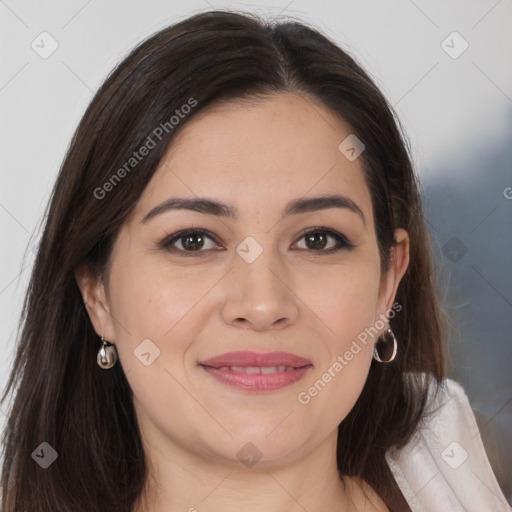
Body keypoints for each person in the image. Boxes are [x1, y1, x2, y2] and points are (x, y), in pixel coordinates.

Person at [1, 9, 510, 512]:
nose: (263, 305)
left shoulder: (452, 469)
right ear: (98, 295)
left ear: (387, 283)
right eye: (194, 241)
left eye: (316, 240)